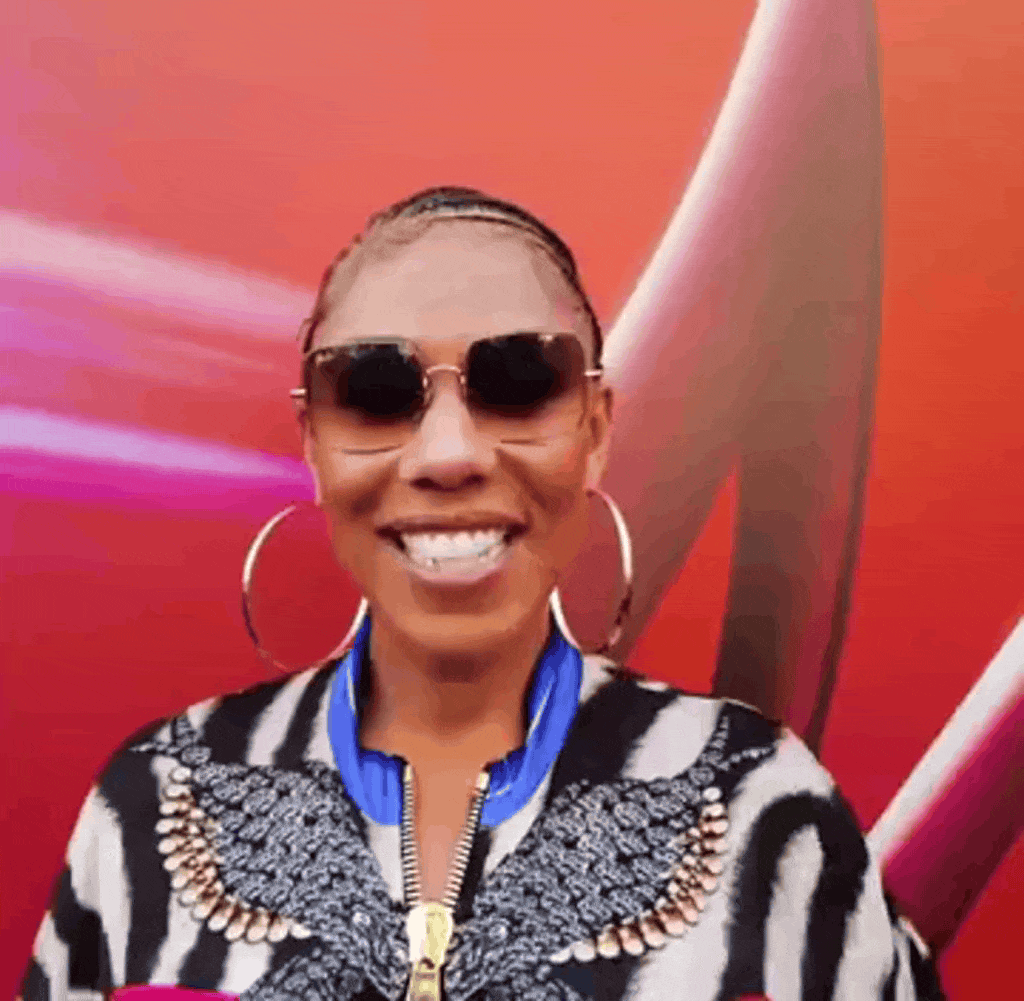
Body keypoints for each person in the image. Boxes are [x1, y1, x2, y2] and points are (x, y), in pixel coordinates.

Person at [20, 188, 942, 1001]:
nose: (450, 454)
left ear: (596, 430)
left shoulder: (760, 804)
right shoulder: (157, 798)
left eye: (520, 382)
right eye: (376, 390)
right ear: (313, 442)